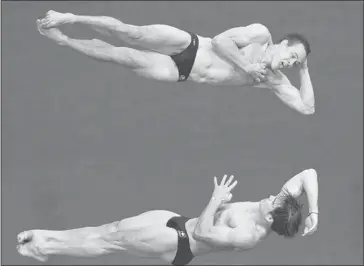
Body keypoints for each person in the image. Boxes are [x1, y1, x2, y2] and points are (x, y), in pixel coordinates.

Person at [36, 11, 315, 115]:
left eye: (294, 63)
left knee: (119, 56)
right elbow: (220, 41)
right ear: (282, 43)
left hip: (181, 72)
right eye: (292, 56)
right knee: (131, 33)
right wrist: (246, 67)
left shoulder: (273, 81)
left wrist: (304, 69)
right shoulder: (261, 35)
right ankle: (71, 18)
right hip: (190, 45)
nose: (289, 63)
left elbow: (307, 108)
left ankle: (65, 41)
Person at [17, 168, 319, 265]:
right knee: (111, 228)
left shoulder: (248, 235)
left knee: (113, 242)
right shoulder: (277, 206)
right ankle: (47, 240)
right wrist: (313, 212)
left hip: (180, 243)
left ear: (271, 220)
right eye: (276, 197)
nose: (270, 197)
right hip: (176, 220)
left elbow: (202, 234)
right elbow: (309, 174)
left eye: (272, 204)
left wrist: (215, 200)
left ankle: (45, 247)